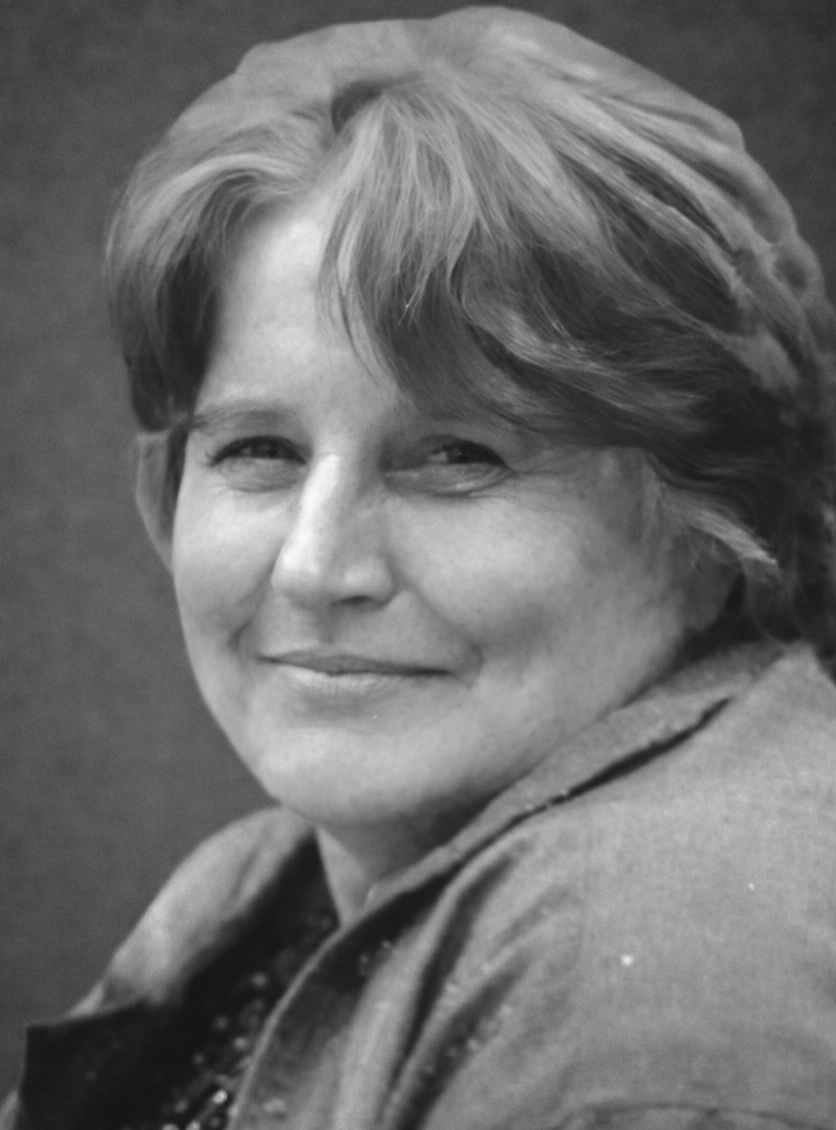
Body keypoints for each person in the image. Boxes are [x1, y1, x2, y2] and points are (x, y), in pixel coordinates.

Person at [4, 7, 836, 1129]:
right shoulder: (283, 878)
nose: (314, 567)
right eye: (259, 449)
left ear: (710, 532)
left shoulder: (648, 1030)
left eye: (456, 457)